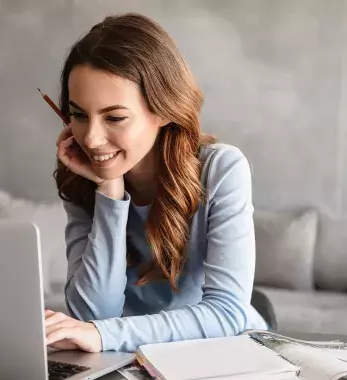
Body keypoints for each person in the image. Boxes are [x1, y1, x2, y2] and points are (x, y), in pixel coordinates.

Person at [44, 12, 268, 354]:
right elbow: (93, 315)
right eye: (79, 115)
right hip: (130, 357)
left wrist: (105, 335)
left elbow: (227, 313)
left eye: (115, 117)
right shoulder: (81, 175)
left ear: (163, 109)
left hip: (220, 353)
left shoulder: (222, 169)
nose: (91, 139)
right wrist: (110, 192)